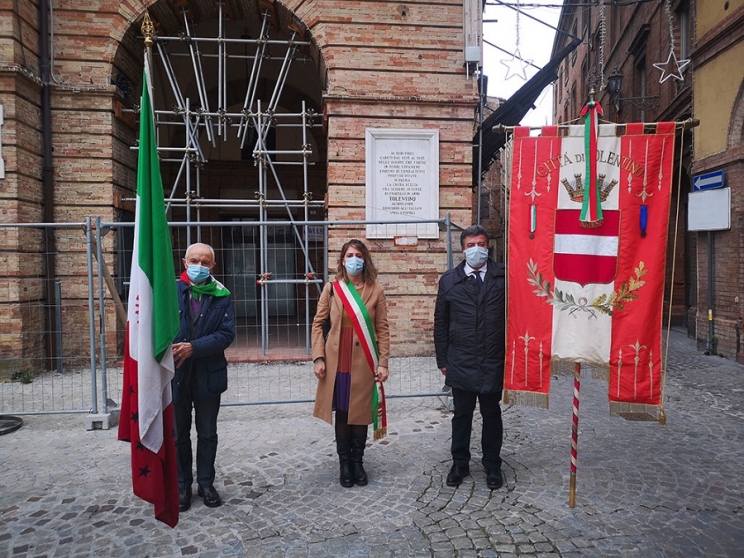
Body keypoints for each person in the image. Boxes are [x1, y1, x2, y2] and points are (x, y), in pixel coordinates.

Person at [311, 239, 391, 487]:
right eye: (349, 255)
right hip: (337, 359)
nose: (354, 259)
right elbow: (318, 324)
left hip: (365, 359)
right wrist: (318, 357)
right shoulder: (332, 289)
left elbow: (383, 328)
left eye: (358, 255)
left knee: (360, 412)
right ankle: (344, 464)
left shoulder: (376, 289)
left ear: (364, 259)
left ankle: (358, 462)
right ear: (342, 260)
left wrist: (383, 362)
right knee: (344, 413)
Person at [434, 224, 506, 490]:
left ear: (488, 247)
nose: (476, 249)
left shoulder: (503, 277)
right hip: (461, 359)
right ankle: (460, 463)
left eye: (481, 244)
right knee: (462, 415)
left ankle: (492, 465)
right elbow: (441, 323)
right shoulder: (450, 281)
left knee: (491, 414)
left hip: (492, 358)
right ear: (463, 250)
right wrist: (443, 360)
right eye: (471, 245)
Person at [172, 242, 236, 511]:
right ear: (185, 263)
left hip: (208, 374)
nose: (199, 266)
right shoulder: (170, 291)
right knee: (178, 434)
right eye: (194, 261)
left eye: (205, 262)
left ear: (213, 266)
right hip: (176, 373)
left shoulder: (222, 295)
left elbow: (226, 334)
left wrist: (194, 348)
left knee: (207, 432)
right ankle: (182, 485)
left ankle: (206, 483)